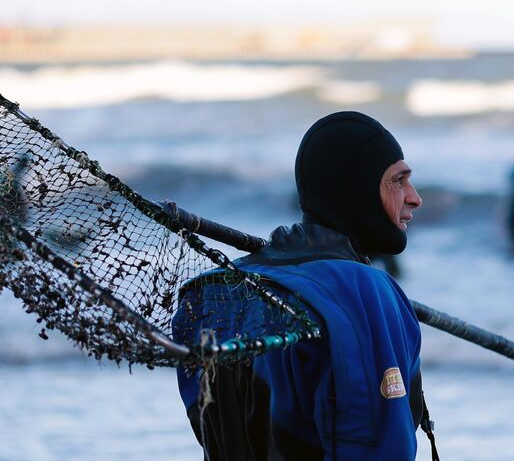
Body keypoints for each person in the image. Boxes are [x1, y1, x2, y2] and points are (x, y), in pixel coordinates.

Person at [174, 111, 428, 460]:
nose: (414, 197)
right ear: (355, 190)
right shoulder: (368, 291)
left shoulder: (220, 290)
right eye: (398, 180)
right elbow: (382, 445)